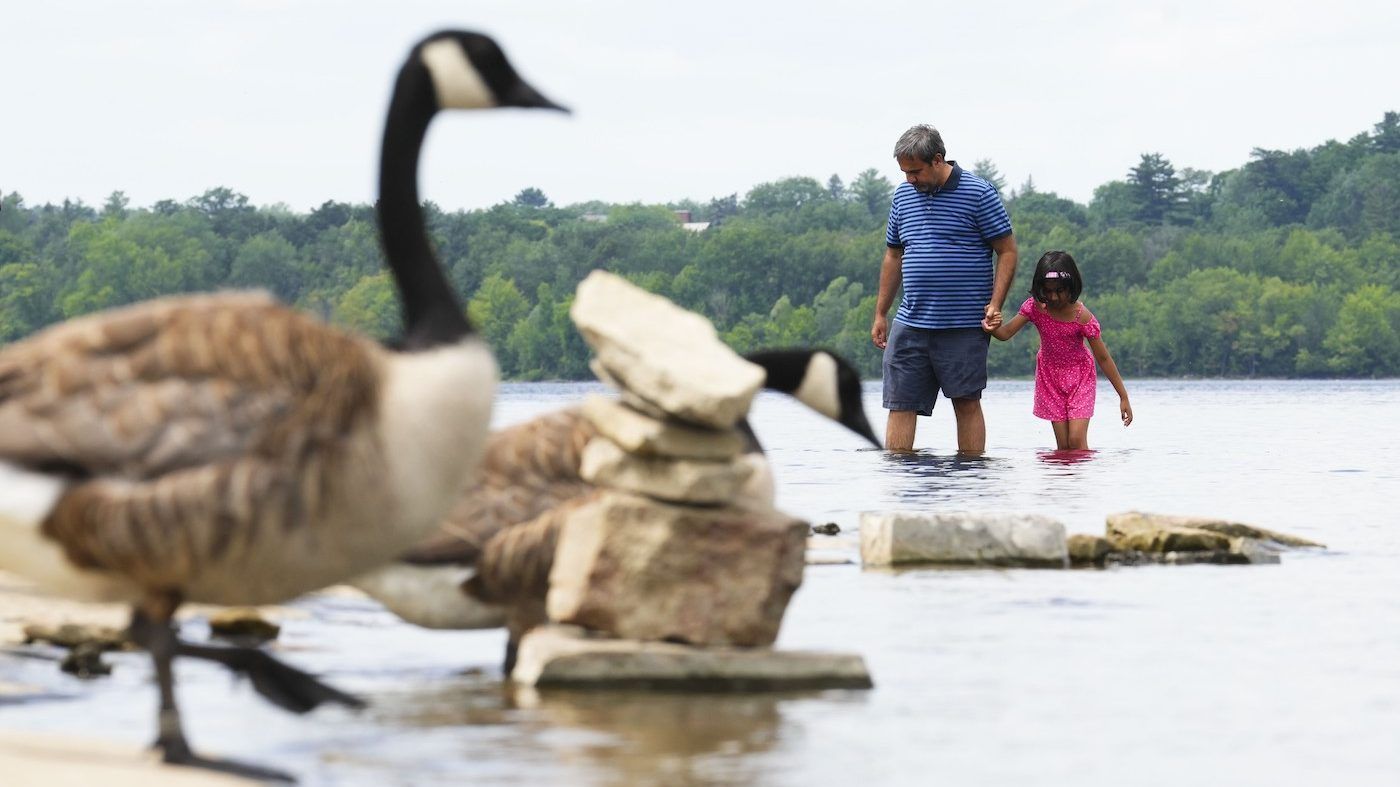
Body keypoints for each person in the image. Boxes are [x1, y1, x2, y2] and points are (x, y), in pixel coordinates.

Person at [871, 124, 1018, 453]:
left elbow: (1007, 251)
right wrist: (881, 312)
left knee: (966, 403)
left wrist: (995, 304)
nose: (910, 179)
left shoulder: (979, 193)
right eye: (905, 172)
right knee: (900, 404)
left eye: (916, 172)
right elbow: (893, 255)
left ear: (938, 160)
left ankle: (970, 483)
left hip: (964, 324)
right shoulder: (903, 196)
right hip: (910, 323)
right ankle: (899, 486)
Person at [985, 250, 1133, 450]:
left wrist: (1123, 396)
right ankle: (1062, 481)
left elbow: (1104, 358)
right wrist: (992, 327)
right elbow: (1005, 334)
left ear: (1071, 287)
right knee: (1063, 446)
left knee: (1076, 441)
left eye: (1060, 291)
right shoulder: (1035, 308)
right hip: (1050, 377)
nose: (1053, 297)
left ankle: (1081, 480)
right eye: (1048, 291)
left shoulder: (1082, 317)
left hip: (1080, 377)